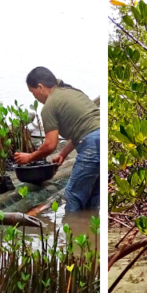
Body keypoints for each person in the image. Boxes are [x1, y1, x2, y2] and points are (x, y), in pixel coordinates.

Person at [13, 67, 100, 212]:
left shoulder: (49, 105)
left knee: (72, 195)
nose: (34, 97)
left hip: (92, 146)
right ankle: (89, 230)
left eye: (32, 92)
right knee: (93, 195)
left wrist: (29, 157)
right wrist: (62, 154)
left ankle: (71, 230)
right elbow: (83, 131)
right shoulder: (72, 92)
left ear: (40, 87)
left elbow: (50, 145)